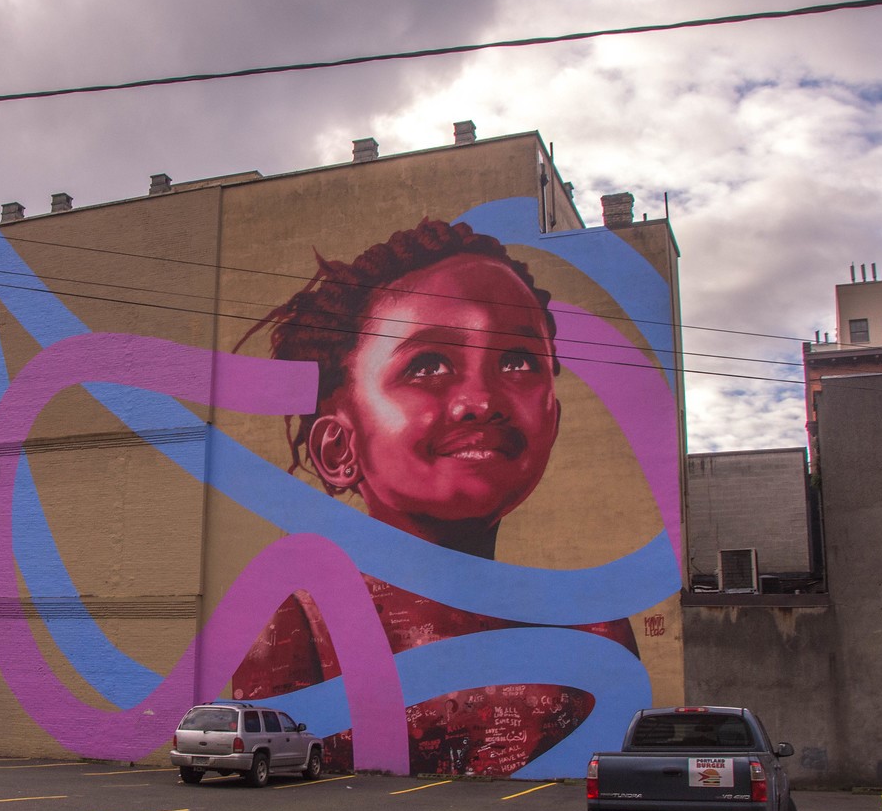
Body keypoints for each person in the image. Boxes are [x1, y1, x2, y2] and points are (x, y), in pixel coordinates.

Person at [232, 218, 635, 775]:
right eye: (428, 365)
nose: (480, 400)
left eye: (517, 361)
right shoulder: (304, 622)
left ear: (553, 417)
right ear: (338, 446)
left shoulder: (593, 626)